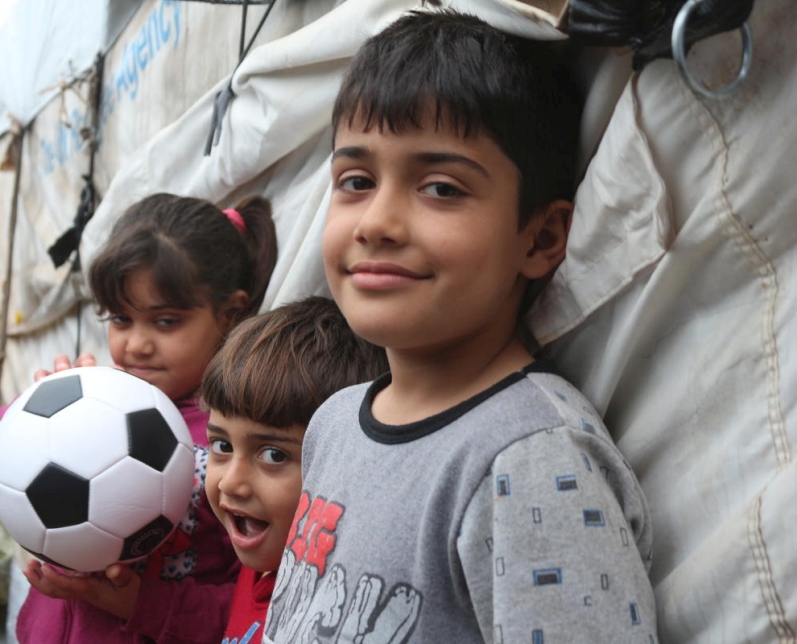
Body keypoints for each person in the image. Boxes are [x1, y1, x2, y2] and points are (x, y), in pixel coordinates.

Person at [264, 10, 658, 643]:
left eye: (442, 188)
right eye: (356, 181)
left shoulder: (530, 461)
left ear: (543, 236)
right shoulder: (335, 422)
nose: (378, 223)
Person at [0, 191, 278, 643]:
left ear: (230, 313)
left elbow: (250, 607)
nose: (136, 344)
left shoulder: (238, 441)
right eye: (121, 318)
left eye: (165, 322)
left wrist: (138, 603)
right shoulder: (86, 406)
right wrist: (30, 407)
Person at [197, 296, 388, 643]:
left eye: (273, 455)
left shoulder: (334, 616)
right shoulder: (263, 558)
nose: (231, 482)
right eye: (222, 446)